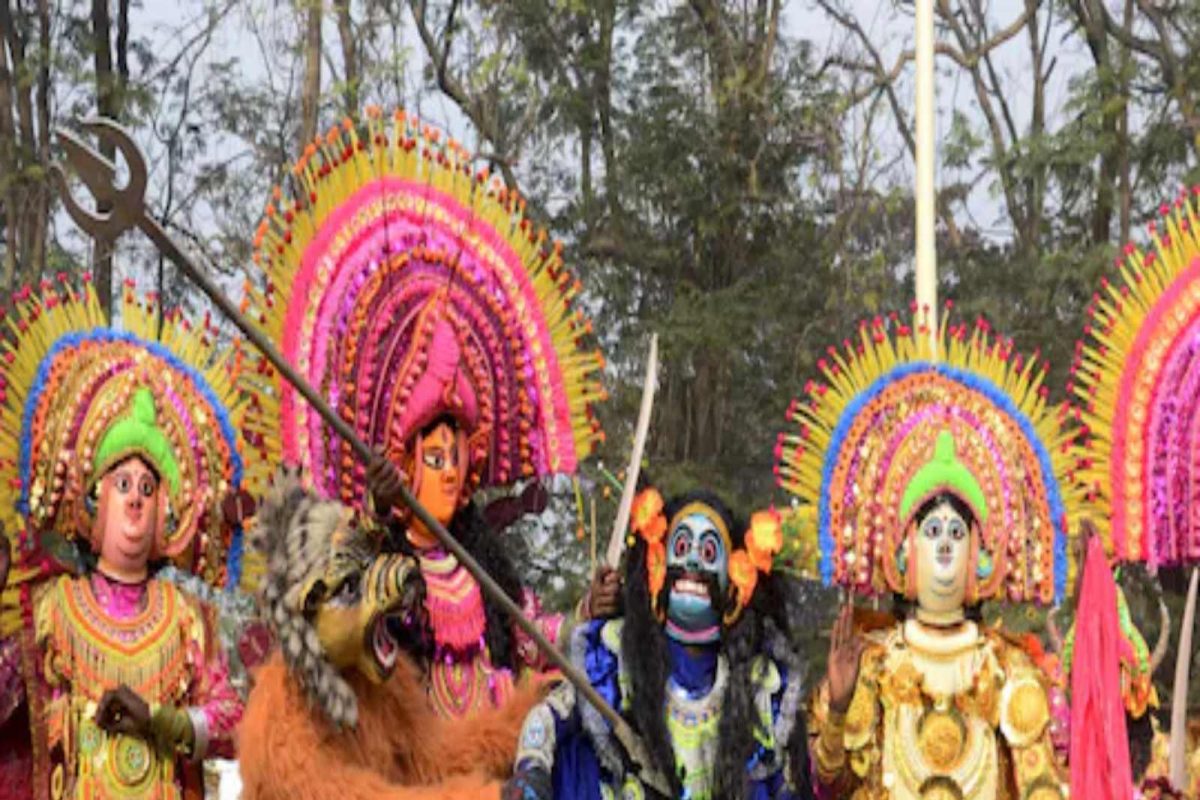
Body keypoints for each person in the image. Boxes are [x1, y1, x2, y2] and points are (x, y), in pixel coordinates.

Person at [243, 107, 617, 719]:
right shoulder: (375, 558)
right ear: (402, 463)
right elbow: (328, 640)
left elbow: (540, 641)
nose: (447, 472)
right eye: (433, 456)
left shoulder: (484, 566)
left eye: (457, 456)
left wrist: (589, 612)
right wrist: (373, 518)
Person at [775, 314, 1081, 798]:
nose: (943, 544)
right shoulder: (873, 665)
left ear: (981, 554)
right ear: (903, 550)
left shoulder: (1009, 670)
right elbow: (827, 786)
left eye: (956, 532)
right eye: (932, 530)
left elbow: (1042, 788)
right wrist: (837, 707)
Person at [0, 280, 264, 799]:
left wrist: (162, 721)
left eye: (148, 487)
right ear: (93, 504)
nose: (136, 499)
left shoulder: (188, 617)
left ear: (168, 511)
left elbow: (232, 723)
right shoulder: (52, 609)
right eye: (122, 485)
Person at [506, 487, 813, 800]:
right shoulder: (614, 660)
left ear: (734, 581)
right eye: (681, 546)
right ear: (657, 567)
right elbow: (547, 718)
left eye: (708, 552)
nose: (692, 560)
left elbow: (787, 786)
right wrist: (531, 772)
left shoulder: (759, 690)